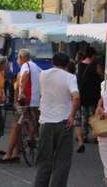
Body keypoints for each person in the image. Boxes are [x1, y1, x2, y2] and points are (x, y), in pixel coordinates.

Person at [33, 53, 79, 187]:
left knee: (44, 160)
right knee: (62, 162)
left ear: (53, 62)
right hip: (64, 120)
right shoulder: (70, 77)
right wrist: (72, 115)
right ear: (67, 64)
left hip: (46, 120)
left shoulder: (43, 74)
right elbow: (76, 97)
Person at [0, 48, 42, 163]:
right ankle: (24, 145)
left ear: (22, 58)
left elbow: (25, 75)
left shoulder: (25, 66)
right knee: (29, 122)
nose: (17, 60)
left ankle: (8, 154)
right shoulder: (36, 67)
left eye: (18, 58)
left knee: (15, 126)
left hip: (25, 100)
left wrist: (21, 92)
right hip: (35, 101)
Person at [76, 46, 102, 151]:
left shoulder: (79, 65)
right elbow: (101, 76)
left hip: (82, 94)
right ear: (93, 55)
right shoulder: (96, 65)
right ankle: (95, 136)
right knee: (93, 116)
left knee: (83, 116)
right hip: (93, 94)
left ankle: (84, 136)